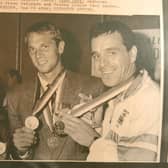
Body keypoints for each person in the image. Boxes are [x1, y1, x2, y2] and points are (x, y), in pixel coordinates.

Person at [6, 21, 104, 160]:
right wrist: (22, 150)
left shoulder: (93, 87)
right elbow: (13, 154)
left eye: (44, 47)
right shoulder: (15, 96)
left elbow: (106, 146)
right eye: (32, 49)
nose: (38, 55)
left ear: (61, 47)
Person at [86, 21, 161, 161]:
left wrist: (91, 139)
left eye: (111, 53)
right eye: (96, 56)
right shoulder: (119, 94)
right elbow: (116, 144)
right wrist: (95, 125)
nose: (101, 64)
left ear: (132, 54)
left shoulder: (149, 99)